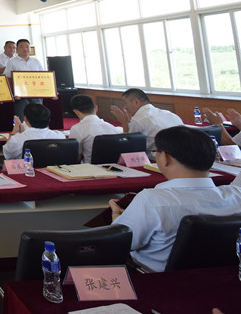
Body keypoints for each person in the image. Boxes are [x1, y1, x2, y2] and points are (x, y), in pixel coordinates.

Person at [110, 126, 241, 272]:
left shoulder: (152, 200)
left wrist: (116, 215)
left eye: (156, 152)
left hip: (155, 278)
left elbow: (121, 243)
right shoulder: (237, 195)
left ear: (165, 157)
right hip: (223, 276)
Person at [110, 88, 182, 156]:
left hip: (156, 159)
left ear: (136, 102)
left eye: (125, 103)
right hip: (180, 155)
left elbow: (130, 147)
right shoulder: (170, 114)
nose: (125, 107)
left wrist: (124, 122)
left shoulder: (138, 119)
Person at [69, 94, 121, 163]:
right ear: (96, 108)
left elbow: (75, 157)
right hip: (113, 166)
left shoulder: (77, 128)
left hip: (90, 167)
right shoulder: (111, 127)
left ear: (76, 112)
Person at [4, 39, 45, 118]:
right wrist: (13, 93)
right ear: (17, 49)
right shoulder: (12, 62)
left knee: (38, 117)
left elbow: (43, 77)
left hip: (36, 95)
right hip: (20, 96)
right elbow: (8, 79)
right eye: (22, 47)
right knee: (22, 118)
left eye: (27, 46)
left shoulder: (36, 62)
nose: (25, 49)